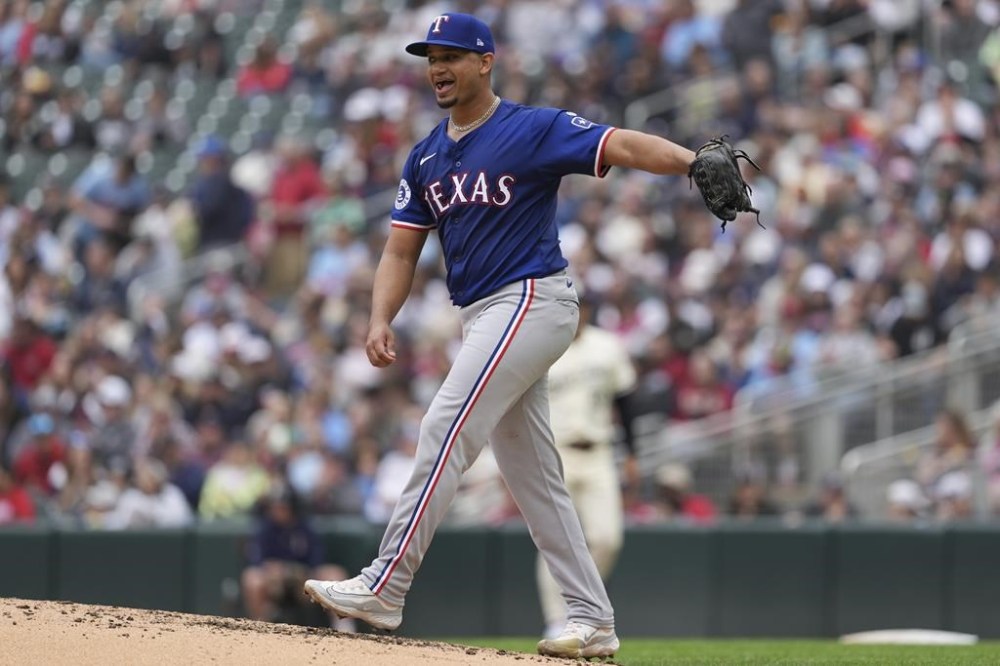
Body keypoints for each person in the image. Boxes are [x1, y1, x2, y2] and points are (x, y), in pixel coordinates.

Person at [304, 13, 697, 661]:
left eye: (451, 54)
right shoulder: (427, 153)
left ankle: (387, 581)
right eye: (430, 55)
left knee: (446, 425)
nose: (437, 66)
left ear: (485, 61)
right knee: (535, 481)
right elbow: (400, 252)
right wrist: (380, 318)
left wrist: (689, 162)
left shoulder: (529, 128)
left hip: (533, 297)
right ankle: (592, 619)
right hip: (484, 316)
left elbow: (620, 144)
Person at [535, 295, 638, 640]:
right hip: (556, 452)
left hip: (598, 451)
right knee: (556, 540)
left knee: (607, 538)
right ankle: (556, 618)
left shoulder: (607, 347)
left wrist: (632, 453)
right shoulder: (542, 346)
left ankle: (584, 606)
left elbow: (626, 402)